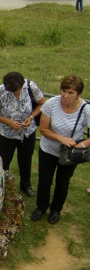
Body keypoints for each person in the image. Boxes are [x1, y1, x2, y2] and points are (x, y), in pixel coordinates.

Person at [31, 74, 90, 224]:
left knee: (63, 182)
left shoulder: (85, 109)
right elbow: (43, 129)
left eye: (71, 93)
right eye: (64, 90)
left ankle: (56, 210)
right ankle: (41, 207)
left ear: (78, 95)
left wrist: (80, 145)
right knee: (44, 181)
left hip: (70, 154)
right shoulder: (51, 104)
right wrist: (61, 138)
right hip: (48, 150)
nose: (65, 95)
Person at [0, 72, 46, 198]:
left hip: (27, 133)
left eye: (17, 91)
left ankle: (26, 184)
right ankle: (2, 185)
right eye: (12, 92)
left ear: (22, 84)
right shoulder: (0, 92)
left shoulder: (31, 86)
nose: (15, 94)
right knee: (4, 162)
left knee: (26, 160)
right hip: (6, 135)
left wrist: (31, 117)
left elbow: (42, 103)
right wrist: (8, 122)